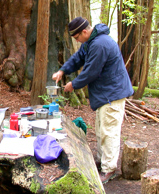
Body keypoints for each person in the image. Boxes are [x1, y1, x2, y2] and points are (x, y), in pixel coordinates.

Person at [52, 17, 134, 184]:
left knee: (109, 132)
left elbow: (91, 72)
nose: (77, 41)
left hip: (113, 94)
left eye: (76, 38)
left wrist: (73, 84)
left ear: (84, 31)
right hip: (106, 95)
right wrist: (62, 71)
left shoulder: (100, 44)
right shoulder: (91, 42)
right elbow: (78, 58)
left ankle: (109, 168)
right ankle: (103, 162)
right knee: (100, 129)